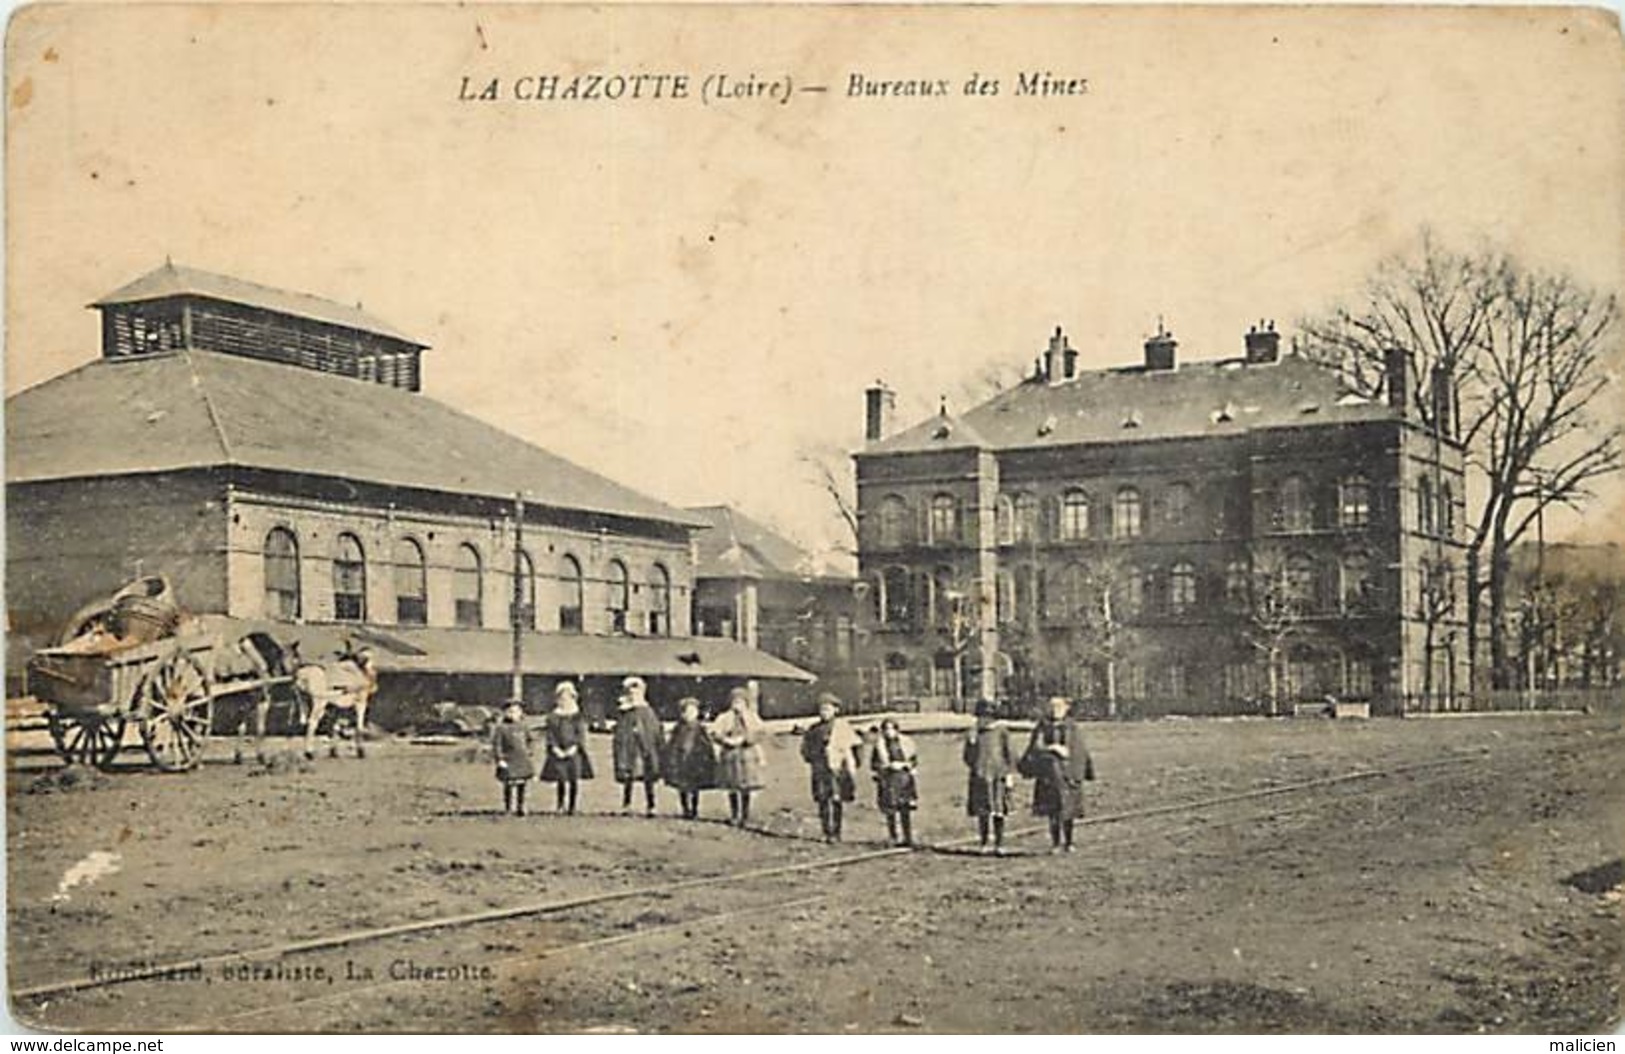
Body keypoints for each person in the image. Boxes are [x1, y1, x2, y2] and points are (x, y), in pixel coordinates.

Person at [1019, 696, 1095, 853]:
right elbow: (1036, 746)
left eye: (1059, 707)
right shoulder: (1043, 726)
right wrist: (1052, 748)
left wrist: (1080, 770)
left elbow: (1079, 750)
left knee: (1068, 809)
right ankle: (1055, 843)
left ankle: (1069, 841)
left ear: (1066, 709)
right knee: (1053, 811)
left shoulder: (1072, 727)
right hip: (1049, 775)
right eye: (1052, 707)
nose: (1055, 710)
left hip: (1068, 774)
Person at [799, 693, 861, 842]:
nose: (824, 712)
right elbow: (805, 749)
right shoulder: (814, 729)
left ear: (836, 710)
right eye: (822, 709)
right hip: (820, 769)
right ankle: (826, 831)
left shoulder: (843, 727)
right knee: (823, 800)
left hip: (837, 768)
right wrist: (814, 756)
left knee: (836, 799)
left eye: (828, 709)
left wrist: (852, 764)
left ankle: (836, 831)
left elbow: (856, 746)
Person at [963, 699, 1016, 854]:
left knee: (998, 810)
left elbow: (1010, 754)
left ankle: (999, 844)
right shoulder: (974, 733)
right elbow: (967, 758)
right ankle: (984, 842)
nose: (983, 720)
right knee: (983, 811)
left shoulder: (1001, 732)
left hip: (998, 775)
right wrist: (972, 745)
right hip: (980, 776)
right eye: (980, 717)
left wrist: (1009, 775)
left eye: (987, 716)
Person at [710, 685, 767, 827]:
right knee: (732, 785)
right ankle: (734, 814)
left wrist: (746, 739)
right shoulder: (724, 717)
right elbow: (715, 733)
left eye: (741, 702)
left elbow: (761, 732)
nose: (737, 705)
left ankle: (745, 815)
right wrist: (725, 740)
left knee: (745, 785)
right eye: (735, 702)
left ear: (745, 703)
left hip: (746, 754)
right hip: (730, 755)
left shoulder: (752, 717)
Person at [612, 676, 666, 816]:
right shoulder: (625, 712)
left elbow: (654, 729)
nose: (634, 695)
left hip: (645, 749)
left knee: (648, 778)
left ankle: (651, 805)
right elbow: (620, 731)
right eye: (631, 692)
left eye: (636, 692)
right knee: (628, 777)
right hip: (630, 749)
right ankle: (627, 804)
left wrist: (647, 737)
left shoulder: (647, 711)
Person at [540, 681, 593, 814]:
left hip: (574, 752)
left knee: (574, 779)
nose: (564, 700)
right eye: (561, 698)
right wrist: (555, 748)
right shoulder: (553, 717)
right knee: (561, 779)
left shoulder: (577, 716)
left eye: (568, 697)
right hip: (558, 752)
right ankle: (560, 805)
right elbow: (550, 734)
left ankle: (573, 806)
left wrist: (574, 747)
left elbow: (580, 734)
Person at [662, 697, 717, 819]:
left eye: (693, 712)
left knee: (694, 787)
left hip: (695, 760)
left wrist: (705, 755)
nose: (690, 715)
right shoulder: (678, 728)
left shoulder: (700, 728)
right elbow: (673, 743)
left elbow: (706, 743)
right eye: (687, 712)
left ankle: (694, 809)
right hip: (681, 760)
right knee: (682, 786)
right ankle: (685, 808)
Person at [870, 718, 919, 847]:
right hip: (888, 779)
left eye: (891, 729)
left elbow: (914, 759)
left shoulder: (906, 742)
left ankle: (907, 837)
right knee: (890, 809)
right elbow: (874, 764)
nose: (889, 732)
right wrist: (886, 767)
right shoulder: (879, 746)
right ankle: (893, 836)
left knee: (905, 808)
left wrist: (905, 765)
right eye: (886, 729)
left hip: (904, 779)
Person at [490, 700, 535, 816]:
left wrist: (530, 751)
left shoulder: (524, 726)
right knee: (508, 785)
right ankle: (508, 807)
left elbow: (530, 740)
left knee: (522, 785)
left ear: (520, 713)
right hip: (508, 760)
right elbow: (497, 745)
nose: (512, 714)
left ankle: (521, 806)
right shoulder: (501, 728)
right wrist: (500, 759)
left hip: (522, 760)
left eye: (515, 711)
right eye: (509, 711)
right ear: (505, 713)